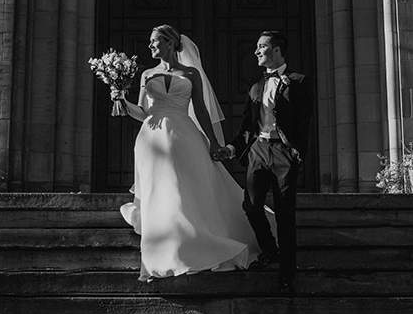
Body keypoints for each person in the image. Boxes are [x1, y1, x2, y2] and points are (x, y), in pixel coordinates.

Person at [112, 24, 260, 281]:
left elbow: (201, 110)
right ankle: (163, 248)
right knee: (159, 189)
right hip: (152, 138)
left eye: (154, 41)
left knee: (183, 188)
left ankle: (194, 241)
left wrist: (213, 143)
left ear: (169, 43)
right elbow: (142, 112)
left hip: (185, 135)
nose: (150, 46)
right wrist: (121, 100)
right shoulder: (147, 74)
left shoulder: (191, 73)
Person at [214, 30, 312, 295]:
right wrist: (232, 148)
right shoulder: (256, 85)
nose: (256, 51)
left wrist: (297, 153)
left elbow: (304, 122)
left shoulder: (299, 82)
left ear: (277, 51)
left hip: (283, 153)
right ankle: (270, 249)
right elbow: (247, 124)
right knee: (252, 205)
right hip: (257, 151)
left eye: (262, 47)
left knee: (285, 215)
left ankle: (287, 274)